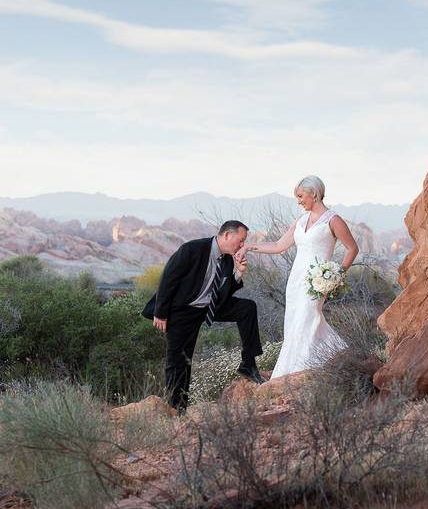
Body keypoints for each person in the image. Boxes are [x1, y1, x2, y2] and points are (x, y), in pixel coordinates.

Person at [237, 176, 359, 378]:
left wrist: (336, 275)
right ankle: (328, 359)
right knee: (295, 323)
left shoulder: (333, 220)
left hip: (316, 282)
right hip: (295, 281)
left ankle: (301, 371)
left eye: (301, 196)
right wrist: (249, 247)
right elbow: (278, 246)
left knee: (307, 319)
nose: (299, 201)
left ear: (314, 193)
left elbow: (352, 248)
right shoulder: (301, 221)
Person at [146, 220, 265, 412]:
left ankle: (248, 364)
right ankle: (177, 408)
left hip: (209, 306)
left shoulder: (227, 258)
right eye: (241, 240)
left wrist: (238, 274)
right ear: (227, 235)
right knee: (180, 360)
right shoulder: (192, 249)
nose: (242, 245)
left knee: (247, 308)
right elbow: (168, 279)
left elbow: (225, 292)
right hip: (183, 311)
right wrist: (160, 313)